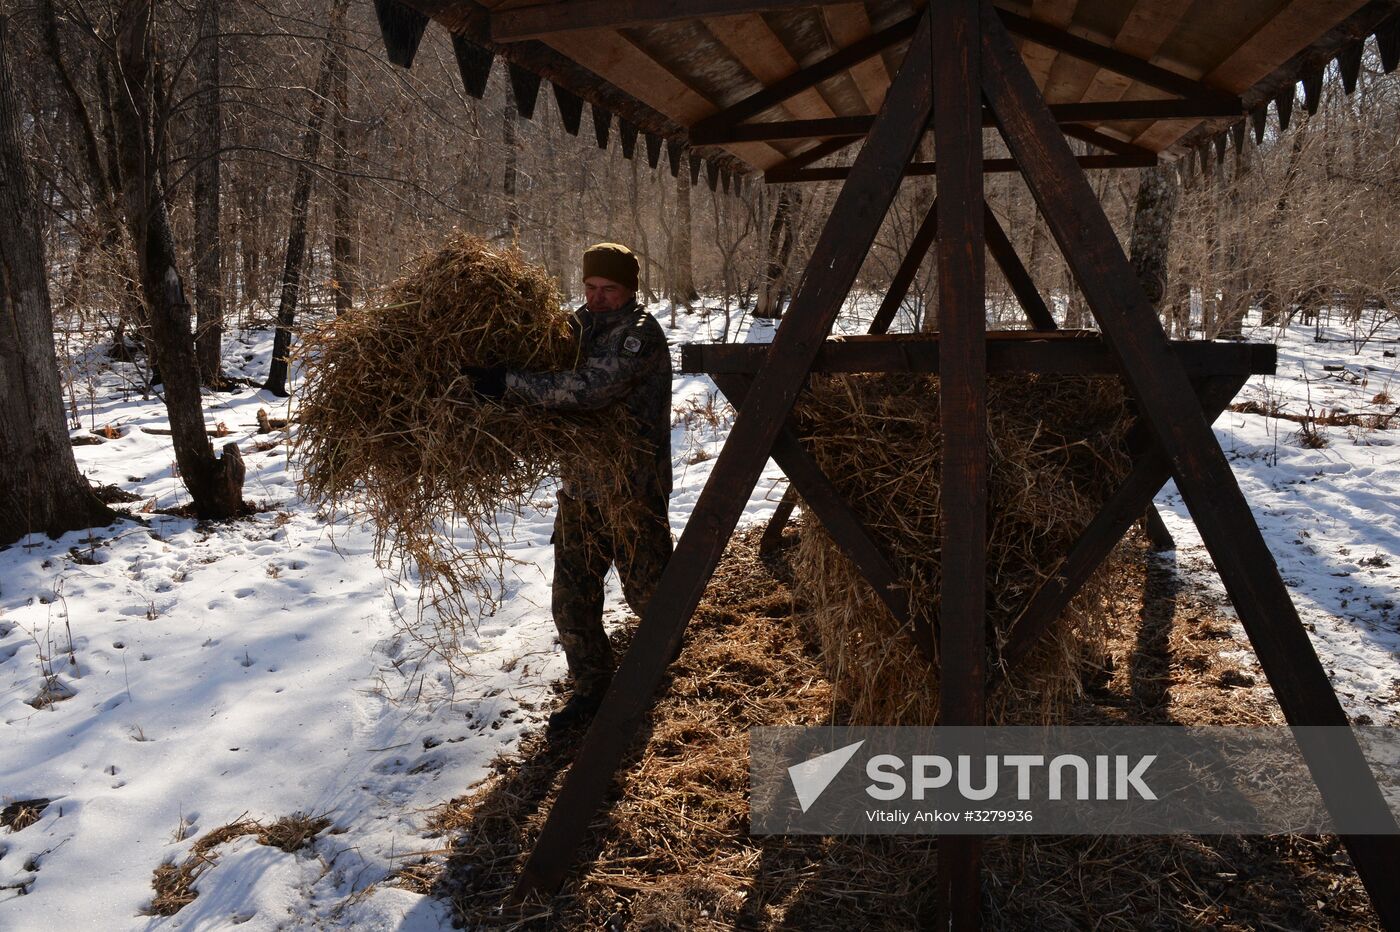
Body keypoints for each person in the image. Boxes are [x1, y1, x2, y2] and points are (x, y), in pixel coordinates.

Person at [465, 243, 673, 731]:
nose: (597, 297)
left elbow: (588, 389)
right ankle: (591, 690)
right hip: (580, 490)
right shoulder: (576, 327)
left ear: (630, 290)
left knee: (649, 595)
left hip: (631, 490)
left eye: (609, 289)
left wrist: (510, 383)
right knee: (571, 600)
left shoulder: (638, 335)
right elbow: (541, 358)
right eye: (591, 287)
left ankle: (667, 668)